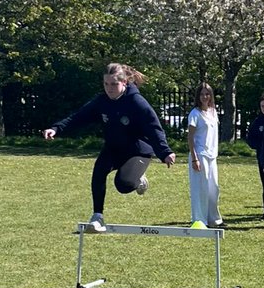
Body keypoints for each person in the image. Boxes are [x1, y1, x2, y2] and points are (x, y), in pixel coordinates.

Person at [43, 62, 175, 231]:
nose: (109, 88)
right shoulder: (102, 101)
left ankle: (138, 178)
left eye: (114, 84)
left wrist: (165, 152)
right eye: (106, 84)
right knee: (98, 170)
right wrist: (56, 128)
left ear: (124, 83)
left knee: (124, 185)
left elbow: (153, 127)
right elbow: (78, 117)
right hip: (113, 149)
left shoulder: (136, 102)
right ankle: (98, 216)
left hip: (138, 151)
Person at [187, 82, 223, 227]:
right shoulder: (195, 114)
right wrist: (195, 158)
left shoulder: (214, 111)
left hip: (212, 155)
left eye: (207, 94)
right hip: (200, 155)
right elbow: (190, 137)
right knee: (201, 189)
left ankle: (214, 219)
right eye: (202, 94)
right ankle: (200, 220)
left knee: (213, 188)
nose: (205, 97)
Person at [244, 94, 264, 223]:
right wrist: (261, 146)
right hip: (263, 158)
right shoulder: (258, 122)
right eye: (262, 106)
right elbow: (250, 139)